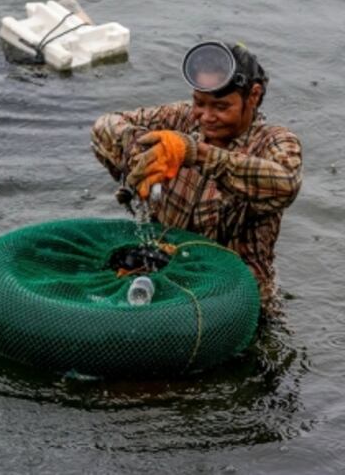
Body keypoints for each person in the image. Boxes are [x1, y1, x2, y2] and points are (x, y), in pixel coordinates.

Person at [90, 41, 302, 316]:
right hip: (166, 277)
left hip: (237, 298)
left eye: (221, 106)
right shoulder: (180, 119)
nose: (206, 117)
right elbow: (104, 126)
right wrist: (138, 150)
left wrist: (195, 153)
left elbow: (285, 184)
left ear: (253, 96)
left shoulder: (274, 142)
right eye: (199, 103)